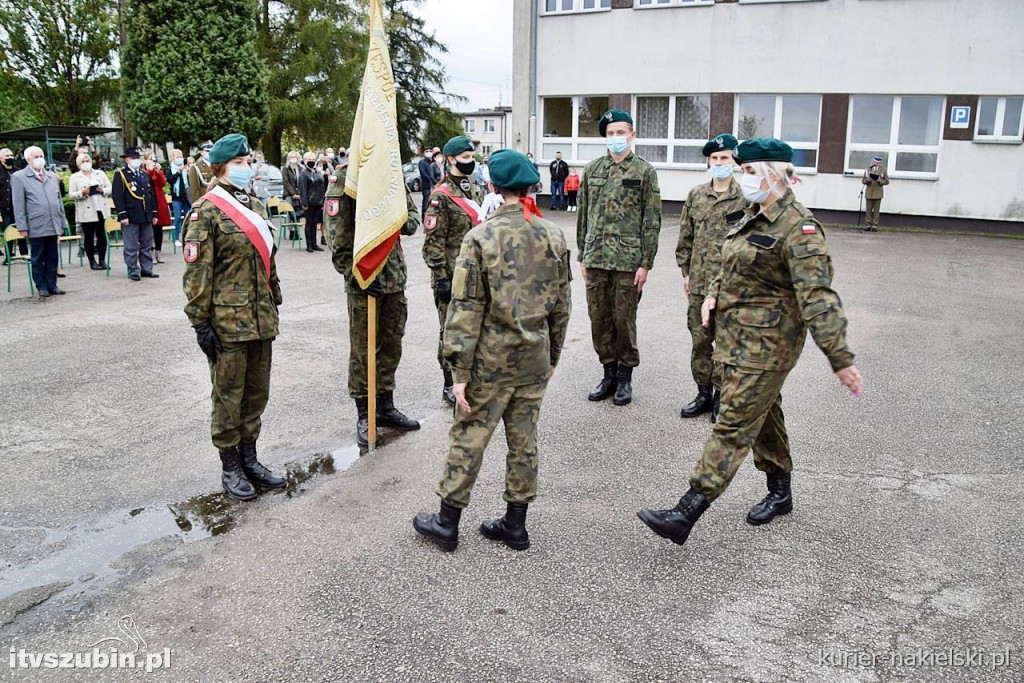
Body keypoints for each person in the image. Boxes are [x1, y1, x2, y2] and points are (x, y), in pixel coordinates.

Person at [637, 138, 864, 547]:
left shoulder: (800, 228)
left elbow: (818, 298)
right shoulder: (752, 215)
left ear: (778, 176)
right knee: (765, 413)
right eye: (743, 171)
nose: (744, 178)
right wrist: (712, 295)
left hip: (768, 347)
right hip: (735, 338)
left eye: (751, 171)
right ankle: (781, 491)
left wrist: (840, 358)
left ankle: (686, 511)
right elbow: (732, 263)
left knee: (733, 423)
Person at [413, 149, 572, 553]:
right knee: (524, 440)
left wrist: (459, 371)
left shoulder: (480, 237)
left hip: (490, 362)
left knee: (469, 435)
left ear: (494, 186)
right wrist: (552, 355)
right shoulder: (553, 235)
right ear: (531, 185)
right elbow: (562, 304)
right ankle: (515, 525)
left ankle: (447, 522)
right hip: (534, 357)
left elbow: (465, 309)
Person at [182, 133, 286, 501]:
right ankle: (230, 466)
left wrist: (274, 298)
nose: (247, 168)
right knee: (229, 396)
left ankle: (251, 458)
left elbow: (267, 260)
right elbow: (197, 274)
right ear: (221, 168)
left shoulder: (255, 206)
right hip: (227, 323)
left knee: (257, 393)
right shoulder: (205, 211)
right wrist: (199, 321)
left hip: (260, 318)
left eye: (249, 162)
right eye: (239, 164)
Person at [326, 168, 421, 447]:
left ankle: (385, 406)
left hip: (394, 277)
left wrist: (391, 213)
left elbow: (413, 221)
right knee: (363, 349)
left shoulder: (389, 171)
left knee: (392, 344)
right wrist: (356, 275)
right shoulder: (346, 178)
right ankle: (364, 413)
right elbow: (337, 234)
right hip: (364, 279)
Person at [576, 109, 662, 406]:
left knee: (624, 320)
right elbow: (583, 216)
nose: (615, 138)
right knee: (599, 320)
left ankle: (625, 378)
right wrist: (582, 255)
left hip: (628, 261)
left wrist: (646, 263)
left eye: (620, 132)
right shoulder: (592, 170)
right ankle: (608, 374)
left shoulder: (644, 171)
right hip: (596, 257)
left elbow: (651, 220)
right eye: (610, 133)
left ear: (632, 135)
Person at [676, 134, 747, 422]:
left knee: (727, 342)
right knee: (700, 340)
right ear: (708, 161)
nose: (719, 163)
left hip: (729, 286)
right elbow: (686, 237)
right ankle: (703, 393)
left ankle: (720, 395)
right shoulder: (695, 195)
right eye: (715, 158)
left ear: (734, 162)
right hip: (699, 283)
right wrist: (685, 273)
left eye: (725, 158)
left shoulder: (745, 198)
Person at [422, 135, 485, 406]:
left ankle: (471, 377)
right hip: (451, 276)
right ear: (450, 160)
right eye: (466, 158)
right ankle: (449, 382)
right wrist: (442, 277)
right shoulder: (441, 197)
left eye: (472, 157)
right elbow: (432, 243)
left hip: (477, 274)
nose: (471, 162)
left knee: (476, 327)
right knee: (450, 330)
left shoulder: (475, 190)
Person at [11, 146, 66, 297]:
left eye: (41, 155)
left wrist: (62, 222)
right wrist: (22, 226)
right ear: (28, 159)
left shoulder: (51, 176)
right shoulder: (19, 177)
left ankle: (52, 284)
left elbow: (58, 201)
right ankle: (41, 286)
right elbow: (18, 204)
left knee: (52, 256)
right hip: (36, 224)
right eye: (36, 156)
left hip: (53, 222)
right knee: (38, 257)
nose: (40, 158)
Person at [111, 147, 160, 281]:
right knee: (131, 245)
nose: (136, 160)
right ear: (126, 159)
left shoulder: (144, 174)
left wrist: (154, 213)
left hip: (146, 214)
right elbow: (118, 196)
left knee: (147, 244)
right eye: (133, 158)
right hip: (131, 215)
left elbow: (151, 195)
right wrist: (122, 215)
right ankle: (133, 270)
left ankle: (146, 269)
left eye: (137, 158)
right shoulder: (121, 174)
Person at [68, 152, 112, 270]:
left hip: (100, 208)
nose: (86, 163)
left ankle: (102, 260)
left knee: (102, 235)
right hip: (86, 209)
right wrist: (82, 193)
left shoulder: (99, 173)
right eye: (83, 161)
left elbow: (110, 187)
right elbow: (71, 194)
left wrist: (103, 190)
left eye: (87, 161)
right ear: (78, 164)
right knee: (89, 236)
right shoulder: (75, 177)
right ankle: (92, 261)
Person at [0, 147, 29, 264]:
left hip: (19, 207)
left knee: (21, 229)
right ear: (1, 158)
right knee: (8, 231)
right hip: (5, 208)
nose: (10, 158)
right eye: (7, 156)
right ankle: (9, 255)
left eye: (11, 155)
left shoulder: (18, 172)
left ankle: (24, 254)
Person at [144, 153, 171, 263]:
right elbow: (146, 181)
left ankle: (158, 252)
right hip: (148, 200)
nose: (153, 161)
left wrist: (159, 172)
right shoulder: (143, 170)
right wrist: (150, 170)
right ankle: (149, 252)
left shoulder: (157, 170)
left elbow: (163, 183)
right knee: (149, 229)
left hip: (158, 200)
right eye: (151, 159)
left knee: (158, 229)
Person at [298, 151, 326, 252]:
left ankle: (315, 244)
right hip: (309, 202)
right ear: (305, 161)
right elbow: (303, 189)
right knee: (309, 223)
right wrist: (304, 203)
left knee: (315, 223)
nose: (311, 161)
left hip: (318, 202)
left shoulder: (317, 172)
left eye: (313, 159)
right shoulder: (303, 174)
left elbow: (322, 186)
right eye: (309, 160)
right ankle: (309, 244)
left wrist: (322, 201)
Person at [168, 149, 192, 247]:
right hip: (176, 197)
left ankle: (187, 237)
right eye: (177, 157)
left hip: (186, 197)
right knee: (177, 217)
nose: (179, 159)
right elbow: (170, 180)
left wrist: (188, 171)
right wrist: (179, 172)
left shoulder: (185, 167)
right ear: (173, 158)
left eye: (180, 157)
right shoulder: (171, 168)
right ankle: (176, 238)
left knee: (188, 217)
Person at [862, 155, 889, 232]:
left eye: (878, 162)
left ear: (880, 163)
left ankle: (874, 225)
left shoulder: (883, 170)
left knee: (876, 211)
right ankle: (868, 225)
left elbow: (887, 181)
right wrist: (867, 180)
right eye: (875, 162)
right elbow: (863, 181)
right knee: (868, 210)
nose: (876, 163)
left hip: (878, 193)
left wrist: (881, 181)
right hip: (869, 192)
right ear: (873, 161)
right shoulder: (868, 169)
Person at [417, 147, 440, 219]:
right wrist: (432, 179)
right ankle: (424, 219)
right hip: (426, 186)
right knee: (426, 203)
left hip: (434, 186)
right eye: (427, 151)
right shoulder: (422, 162)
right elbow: (423, 174)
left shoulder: (433, 162)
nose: (429, 152)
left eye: (430, 151)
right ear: (424, 153)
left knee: (434, 203)